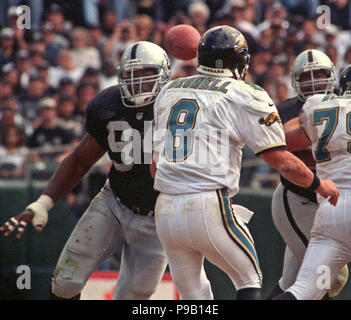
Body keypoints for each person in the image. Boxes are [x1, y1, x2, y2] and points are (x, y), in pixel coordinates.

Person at [151, 26, 339, 300]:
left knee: (194, 296)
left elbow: (154, 166)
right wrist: (319, 184)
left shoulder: (169, 90)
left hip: (165, 210)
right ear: (239, 61)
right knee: (248, 279)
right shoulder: (245, 94)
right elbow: (282, 162)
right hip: (207, 203)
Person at [0, 41, 171, 300]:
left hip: (158, 216)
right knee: (66, 281)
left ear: (164, 75)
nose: (138, 82)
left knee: (137, 294)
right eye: (132, 74)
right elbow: (81, 159)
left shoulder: (176, 107)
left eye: (147, 74)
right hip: (115, 202)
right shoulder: (108, 104)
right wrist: (43, 203)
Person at [266, 49, 349, 300]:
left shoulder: (317, 108)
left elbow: (280, 143)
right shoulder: (294, 107)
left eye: (320, 75)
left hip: (330, 208)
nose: (313, 82)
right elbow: (276, 145)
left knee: (299, 286)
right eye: (306, 77)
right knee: (329, 282)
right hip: (299, 197)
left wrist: (325, 145)